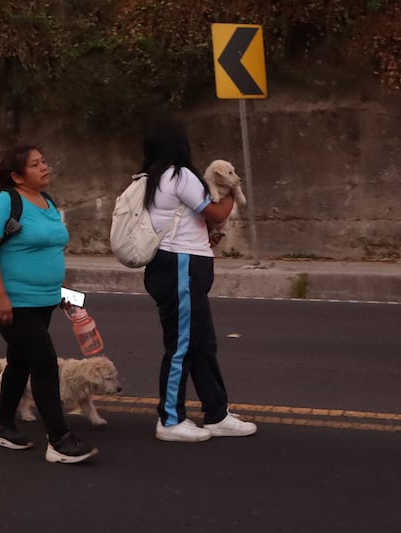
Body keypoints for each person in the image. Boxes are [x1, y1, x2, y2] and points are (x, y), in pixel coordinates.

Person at [140, 116, 258, 442]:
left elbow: (193, 221)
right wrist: (233, 189)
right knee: (182, 346)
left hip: (181, 265)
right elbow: (217, 213)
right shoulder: (179, 176)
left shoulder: (156, 177)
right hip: (179, 267)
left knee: (202, 343)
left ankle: (216, 413)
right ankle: (170, 419)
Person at [0, 144, 97, 464]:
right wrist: (0, 296)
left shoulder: (47, 202)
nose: (44, 167)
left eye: (44, 161)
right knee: (44, 363)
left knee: (20, 362)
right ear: (16, 176)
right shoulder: (4, 201)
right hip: (12, 301)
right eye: (35, 164)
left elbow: (49, 251)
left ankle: (1, 425)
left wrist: (65, 292)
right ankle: (59, 440)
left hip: (44, 299)